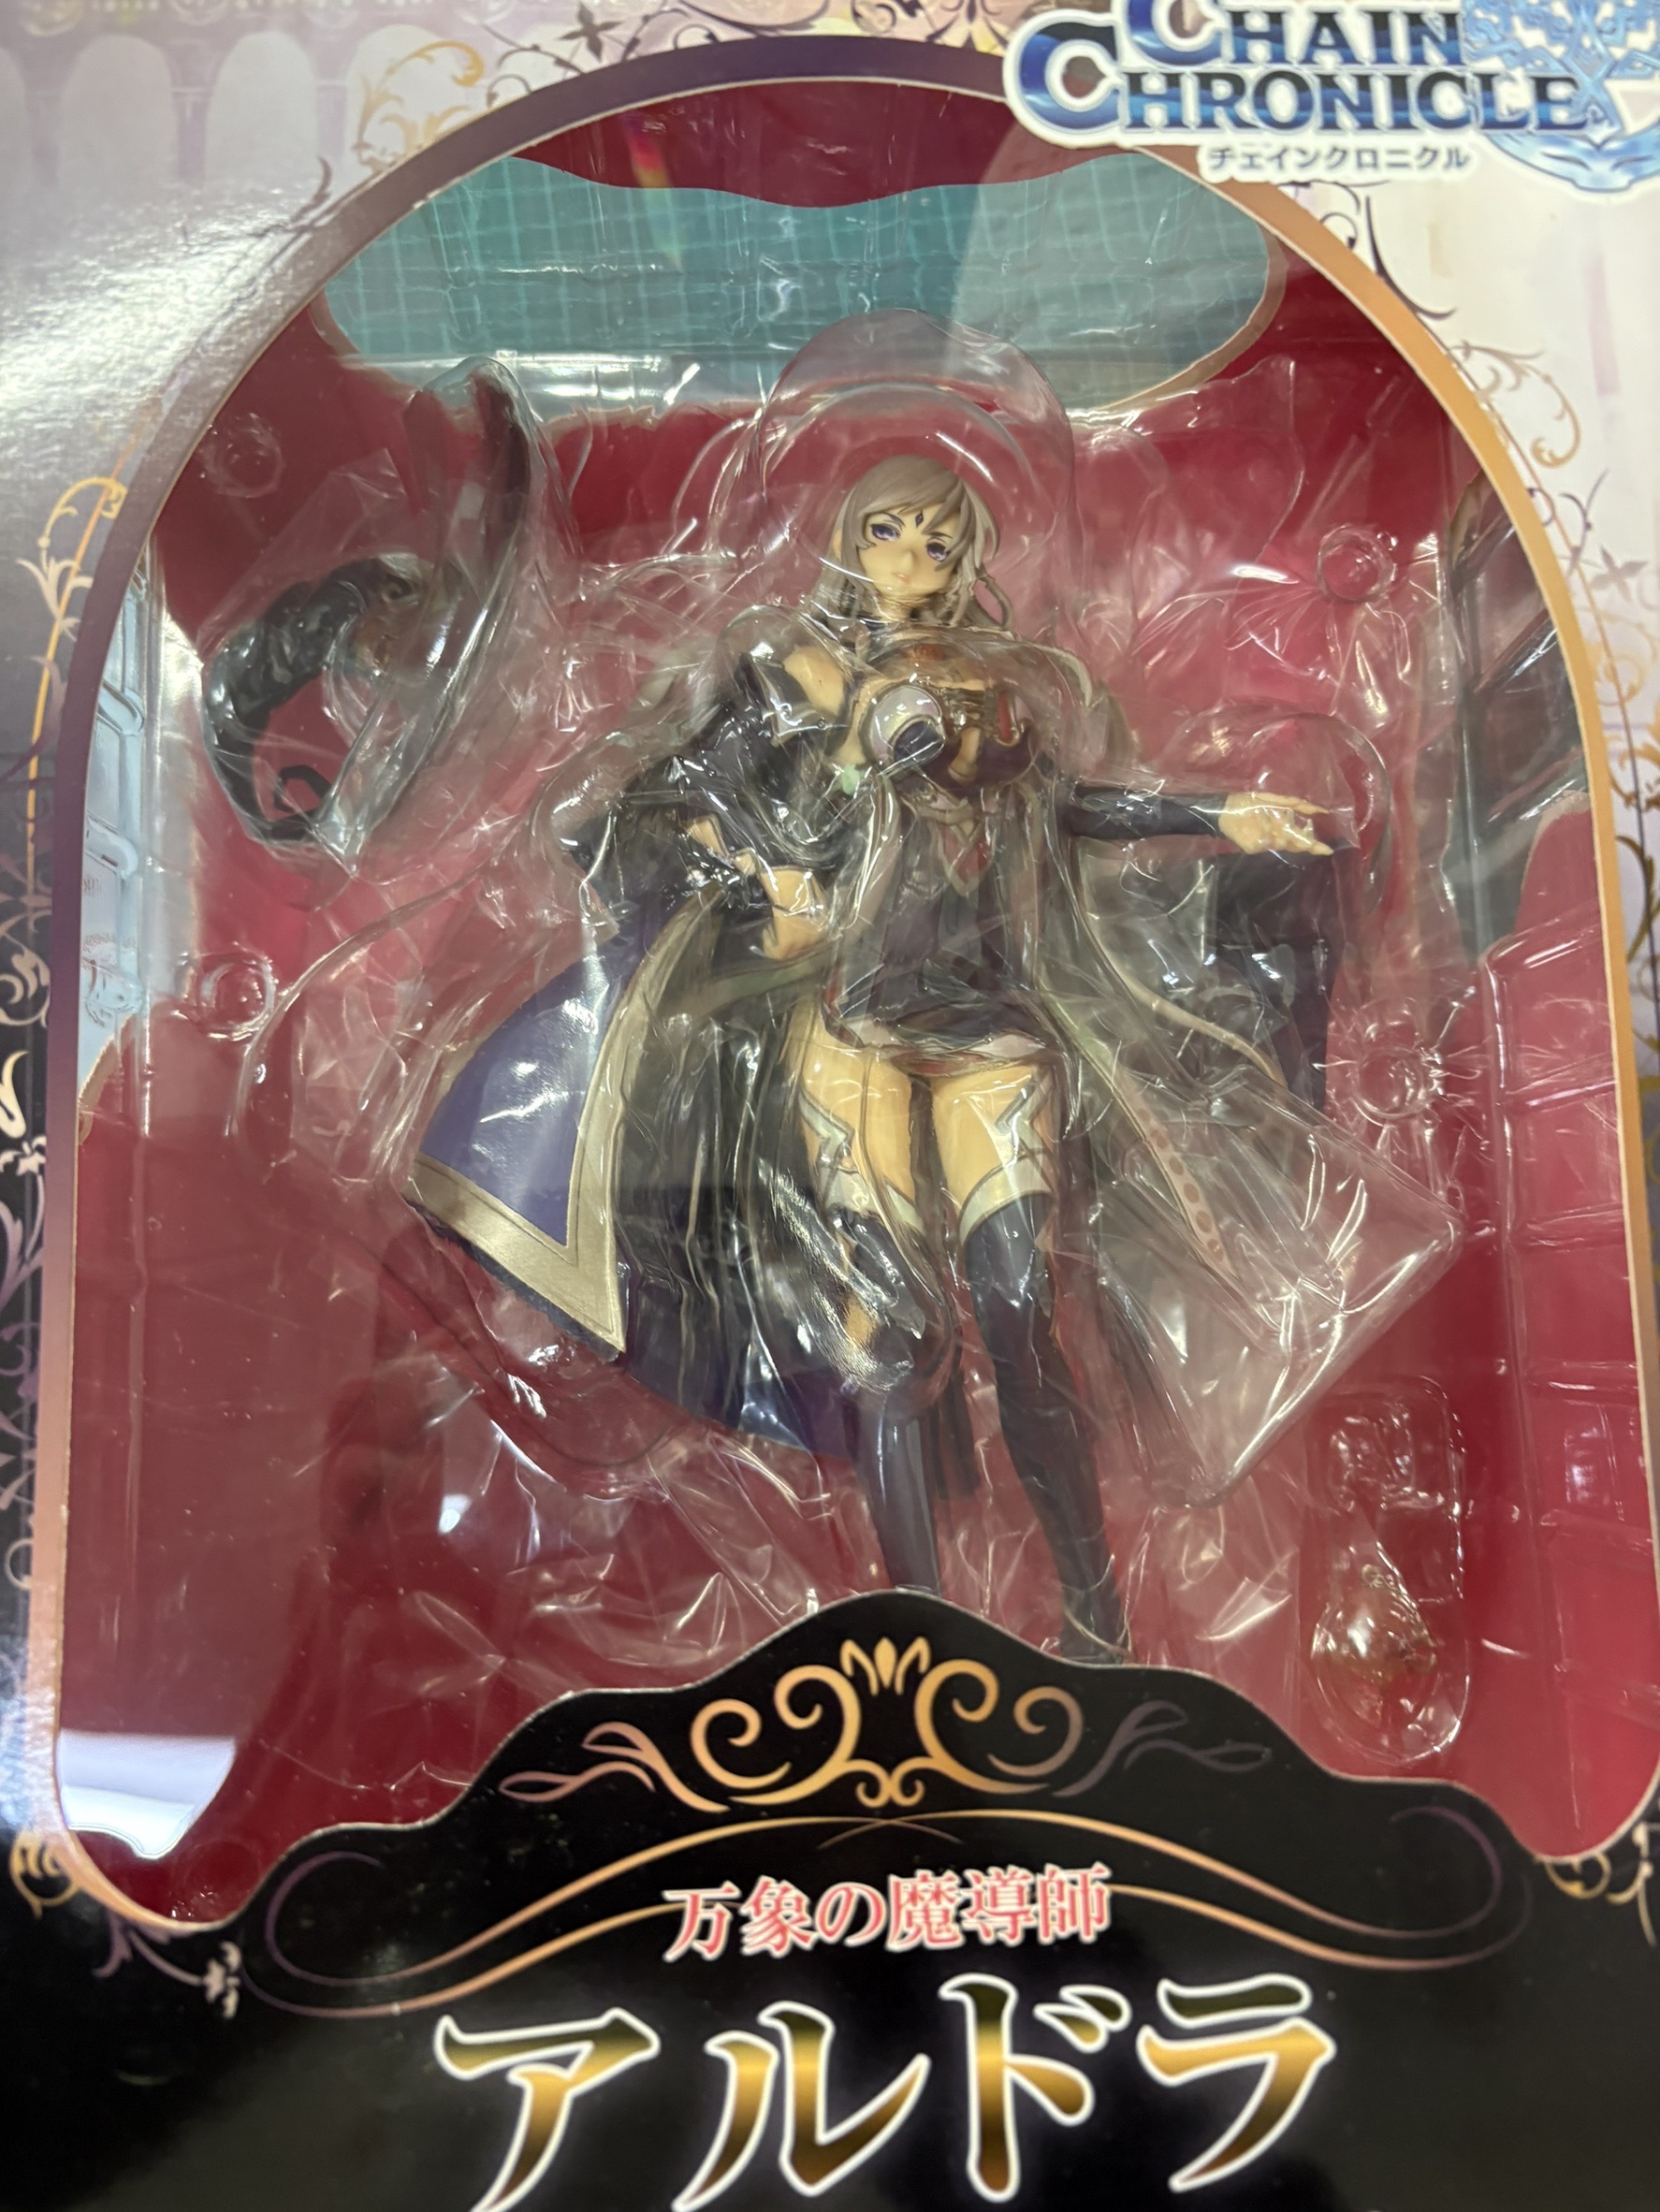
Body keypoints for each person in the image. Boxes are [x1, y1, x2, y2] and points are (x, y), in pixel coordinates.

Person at [409, 447, 1431, 1662]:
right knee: (891, 1344)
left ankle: (1094, 1615)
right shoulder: (787, 673)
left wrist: (1216, 813)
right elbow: (658, 810)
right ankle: (922, 1641)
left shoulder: (1004, 683)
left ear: (968, 560)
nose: (912, 561)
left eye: (939, 541)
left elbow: (1066, 809)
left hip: (992, 1030)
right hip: (848, 1028)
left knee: (1021, 1313)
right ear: (849, 540)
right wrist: (770, 869)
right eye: (888, 534)